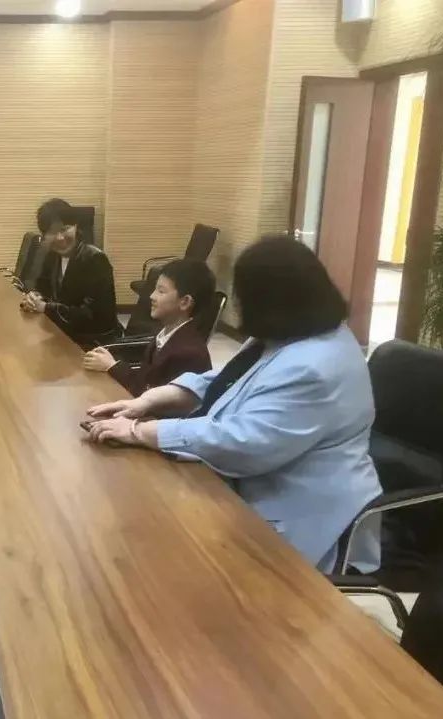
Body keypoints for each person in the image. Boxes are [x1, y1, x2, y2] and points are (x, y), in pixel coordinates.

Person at [84, 235, 382, 573]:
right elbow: (230, 379)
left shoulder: (314, 366)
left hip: (300, 515)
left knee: (156, 552)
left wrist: (141, 432)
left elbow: (242, 443)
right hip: (253, 483)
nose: (239, 307)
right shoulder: (290, 333)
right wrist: (150, 399)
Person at [82, 258, 215, 396]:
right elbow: (143, 380)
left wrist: (113, 366)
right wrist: (111, 364)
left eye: (161, 291)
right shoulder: (166, 334)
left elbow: (151, 395)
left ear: (185, 302)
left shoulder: (188, 354)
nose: (151, 296)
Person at [20, 199, 122, 346]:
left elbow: (91, 316)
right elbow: (42, 287)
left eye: (64, 229)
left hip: (94, 341)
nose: (60, 238)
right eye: (52, 232)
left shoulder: (95, 259)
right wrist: (34, 296)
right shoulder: (51, 255)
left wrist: (45, 307)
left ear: (75, 226)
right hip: (64, 332)